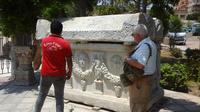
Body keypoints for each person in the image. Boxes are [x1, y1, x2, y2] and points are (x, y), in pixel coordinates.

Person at [33, 20, 73, 112]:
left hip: (46, 73)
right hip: (60, 75)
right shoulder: (65, 44)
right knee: (59, 98)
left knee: (41, 95)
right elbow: (69, 61)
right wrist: (69, 71)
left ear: (51, 29)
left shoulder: (44, 42)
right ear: (61, 31)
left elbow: (40, 55)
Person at [124, 24, 157, 112]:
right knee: (141, 105)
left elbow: (140, 65)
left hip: (141, 81)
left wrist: (127, 60)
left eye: (133, 35)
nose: (133, 37)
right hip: (144, 80)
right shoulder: (150, 43)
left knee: (137, 105)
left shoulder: (144, 46)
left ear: (138, 35)